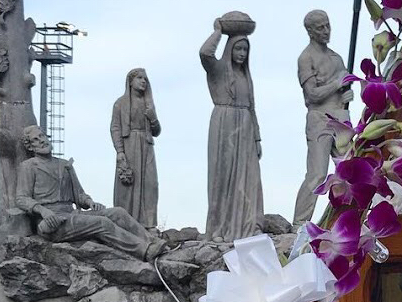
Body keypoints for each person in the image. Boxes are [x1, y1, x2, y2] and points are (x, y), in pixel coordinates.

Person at [14, 126, 166, 261]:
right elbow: (21, 198)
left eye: (42, 136)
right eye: (35, 139)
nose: (41, 141)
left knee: (118, 212)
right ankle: (144, 251)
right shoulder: (28, 167)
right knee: (102, 223)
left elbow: (79, 195)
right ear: (30, 147)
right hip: (51, 222)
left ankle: (152, 241)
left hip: (72, 214)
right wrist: (42, 210)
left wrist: (90, 202)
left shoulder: (64, 165)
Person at [199, 15, 263, 241]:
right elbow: (205, 53)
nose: (242, 54)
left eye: (245, 50)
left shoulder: (246, 76)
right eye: (238, 49)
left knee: (248, 177)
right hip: (224, 123)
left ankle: (248, 225)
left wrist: (257, 138)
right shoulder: (217, 70)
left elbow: (252, 106)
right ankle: (219, 228)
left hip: (245, 125)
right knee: (222, 177)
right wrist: (218, 31)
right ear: (230, 50)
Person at [292, 10, 353, 227]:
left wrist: (347, 93)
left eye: (327, 25)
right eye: (320, 28)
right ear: (310, 31)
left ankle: (348, 219)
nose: (326, 31)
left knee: (351, 171)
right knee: (317, 175)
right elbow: (312, 95)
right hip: (320, 120)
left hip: (341, 118)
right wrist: (337, 84)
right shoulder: (305, 58)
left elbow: (345, 90)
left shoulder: (336, 58)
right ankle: (299, 224)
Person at [110, 68, 160, 229]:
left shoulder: (148, 104)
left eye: (145, 78)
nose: (143, 81)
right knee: (128, 187)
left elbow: (157, 131)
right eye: (139, 78)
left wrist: (153, 119)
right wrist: (120, 152)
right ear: (130, 81)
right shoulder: (120, 103)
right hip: (129, 145)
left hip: (146, 146)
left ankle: (149, 224)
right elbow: (115, 128)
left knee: (150, 185)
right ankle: (126, 223)